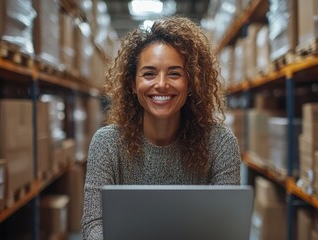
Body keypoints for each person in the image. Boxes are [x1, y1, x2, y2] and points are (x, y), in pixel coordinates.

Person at [81, 16, 241, 240]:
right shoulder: (106, 144)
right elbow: (93, 226)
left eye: (175, 73)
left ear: (191, 83)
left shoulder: (220, 144)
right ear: (132, 84)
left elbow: (226, 229)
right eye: (149, 74)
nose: (161, 84)